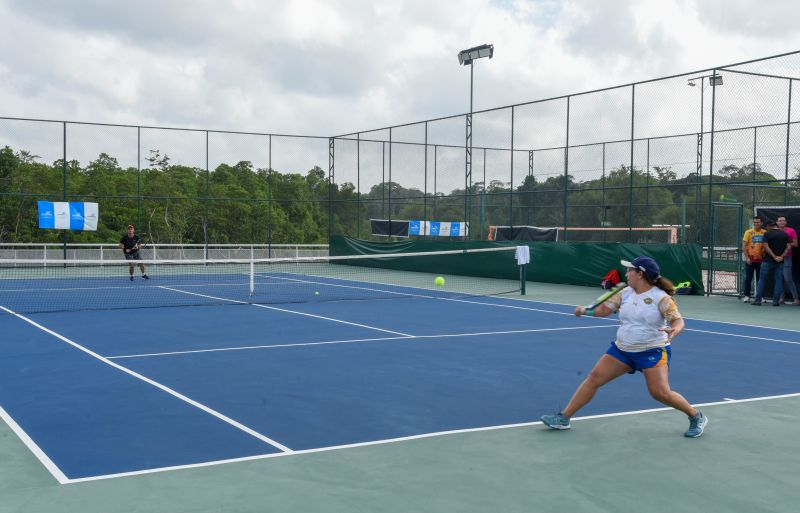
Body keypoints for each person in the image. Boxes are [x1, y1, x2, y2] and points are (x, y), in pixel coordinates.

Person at [540, 256, 708, 438]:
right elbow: (603, 310)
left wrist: (674, 331)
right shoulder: (625, 293)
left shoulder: (661, 298)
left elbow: (678, 320)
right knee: (594, 378)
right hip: (622, 349)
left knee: (660, 393)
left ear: (640, 274)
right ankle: (564, 418)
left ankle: (696, 416)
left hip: (652, 350)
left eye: (630, 270)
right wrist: (585, 310)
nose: (627, 273)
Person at [752, 220, 789, 306]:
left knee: (762, 280)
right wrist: (781, 257)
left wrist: (774, 256)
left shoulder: (767, 234)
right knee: (778, 280)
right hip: (780, 262)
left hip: (768, 261)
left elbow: (765, 247)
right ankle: (775, 301)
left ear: (768, 226)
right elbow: (788, 247)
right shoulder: (785, 234)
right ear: (776, 225)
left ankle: (757, 300)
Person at [741, 216, 766, 303]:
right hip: (750, 260)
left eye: (758, 222)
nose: (756, 224)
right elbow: (744, 245)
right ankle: (747, 296)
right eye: (755, 222)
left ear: (761, 223)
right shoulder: (748, 232)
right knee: (748, 278)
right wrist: (747, 257)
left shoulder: (764, 232)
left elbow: (766, 246)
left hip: (761, 260)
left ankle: (760, 296)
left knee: (760, 279)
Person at [776, 216, 800, 305]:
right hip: (776, 258)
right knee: (778, 278)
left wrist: (785, 243)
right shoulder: (774, 231)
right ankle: (781, 298)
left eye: (783, 220)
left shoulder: (791, 230)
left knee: (788, 278)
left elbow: (796, 244)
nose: (782, 222)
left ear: (786, 222)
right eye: (780, 221)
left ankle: (796, 299)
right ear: (777, 222)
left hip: (787, 257)